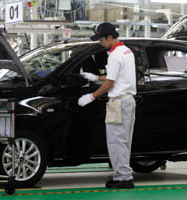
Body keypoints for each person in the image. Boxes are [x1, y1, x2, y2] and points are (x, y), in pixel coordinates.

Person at [77, 22, 137, 189]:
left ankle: (123, 178)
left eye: (101, 40)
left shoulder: (115, 55)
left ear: (110, 37)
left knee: (116, 141)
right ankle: (122, 175)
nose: (100, 43)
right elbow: (116, 77)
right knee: (124, 141)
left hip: (116, 102)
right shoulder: (126, 51)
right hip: (128, 100)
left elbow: (110, 83)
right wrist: (96, 78)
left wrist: (91, 96)